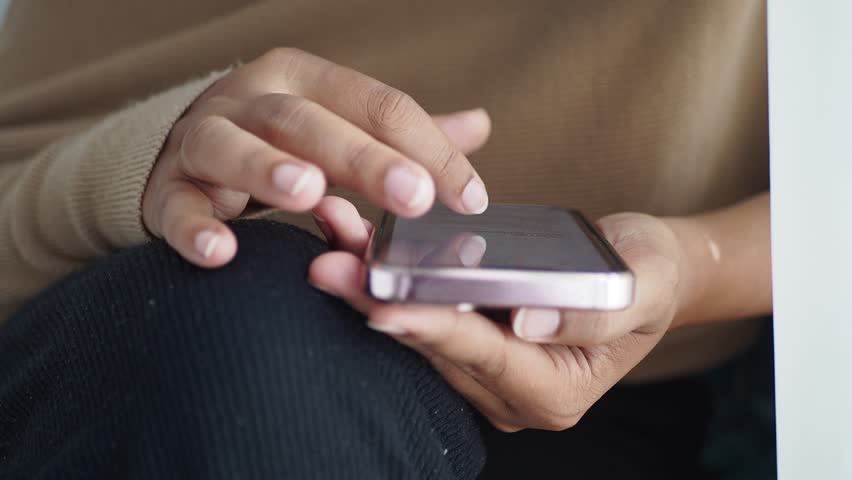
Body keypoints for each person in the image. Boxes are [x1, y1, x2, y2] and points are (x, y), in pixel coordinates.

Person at [0, 0, 775, 478]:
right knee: (252, 346)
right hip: (160, 341)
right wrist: (138, 165)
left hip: (638, 402)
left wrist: (693, 265)